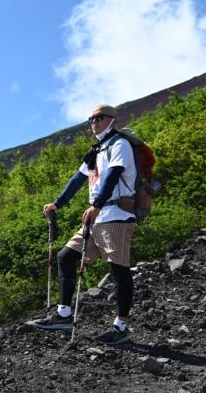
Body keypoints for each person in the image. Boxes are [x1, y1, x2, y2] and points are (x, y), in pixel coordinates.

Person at [30, 104, 136, 345]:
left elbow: (114, 174)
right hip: (97, 217)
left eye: (99, 118)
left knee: (120, 271)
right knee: (66, 257)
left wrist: (97, 204)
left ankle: (121, 327)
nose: (94, 122)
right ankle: (64, 315)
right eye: (91, 119)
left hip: (116, 215)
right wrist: (58, 203)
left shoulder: (120, 144)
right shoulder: (96, 150)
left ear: (112, 119)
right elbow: (78, 178)